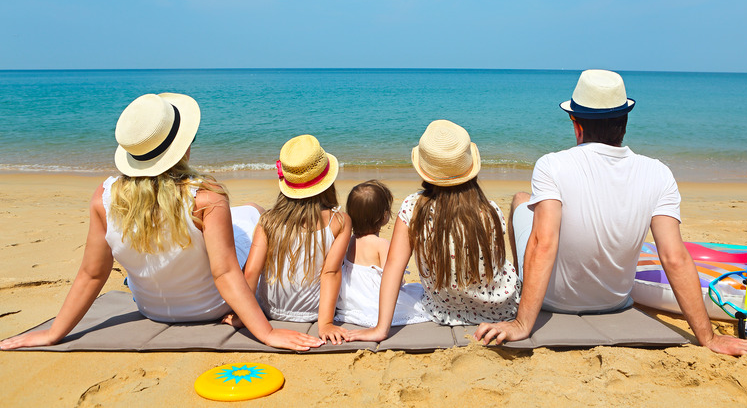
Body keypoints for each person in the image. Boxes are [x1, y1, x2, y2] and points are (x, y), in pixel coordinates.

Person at [475, 70, 747, 357]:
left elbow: (544, 242)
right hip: (614, 301)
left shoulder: (552, 165)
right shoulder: (658, 173)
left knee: (521, 200)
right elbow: (674, 257)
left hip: (553, 302)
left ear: (576, 123)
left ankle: (520, 288)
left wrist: (522, 324)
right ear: (625, 121)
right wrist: (708, 337)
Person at [0, 93, 323, 352]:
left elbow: (92, 273)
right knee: (252, 212)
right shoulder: (206, 196)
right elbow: (224, 273)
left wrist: (55, 332)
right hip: (211, 307)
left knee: (240, 215)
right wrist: (266, 333)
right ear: (182, 146)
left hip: (151, 308)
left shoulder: (104, 198)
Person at [349, 120, 521, 342]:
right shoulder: (491, 210)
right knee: (522, 204)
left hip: (443, 311)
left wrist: (381, 329)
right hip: (501, 310)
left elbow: (394, 267)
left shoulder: (413, 209)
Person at [237, 134, 352, 345]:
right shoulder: (340, 221)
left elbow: (252, 271)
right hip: (313, 311)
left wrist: (241, 315)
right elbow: (331, 272)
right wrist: (325, 323)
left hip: (268, 309)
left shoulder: (268, 221)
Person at [334, 180, 429, 327]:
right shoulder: (381, 244)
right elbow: (394, 279)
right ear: (385, 216)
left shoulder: (350, 241)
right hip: (375, 300)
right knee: (419, 294)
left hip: (351, 300)